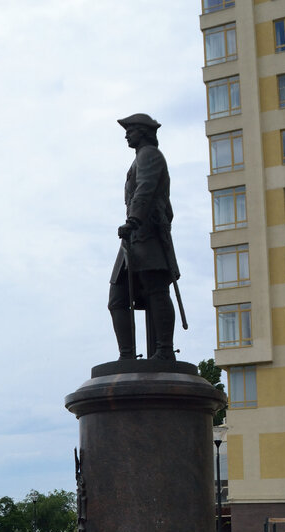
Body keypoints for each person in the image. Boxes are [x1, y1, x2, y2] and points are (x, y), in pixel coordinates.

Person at [109, 113, 181, 362]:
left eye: (131, 130)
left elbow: (145, 190)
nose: (127, 134)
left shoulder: (150, 155)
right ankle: (127, 355)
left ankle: (164, 350)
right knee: (118, 298)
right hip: (133, 236)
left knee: (156, 291)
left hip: (147, 234)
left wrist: (134, 221)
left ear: (144, 132)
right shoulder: (139, 159)